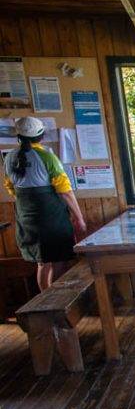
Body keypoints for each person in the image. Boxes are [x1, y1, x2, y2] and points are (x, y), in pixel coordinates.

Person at [3, 116, 86, 291]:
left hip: (25, 214)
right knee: (58, 258)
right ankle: (57, 298)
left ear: (18, 137)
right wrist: (79, 218)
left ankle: (45, 298)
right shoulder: (47, 157)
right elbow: (65, 191)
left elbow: (10, 188)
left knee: (42, 261)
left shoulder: (9, 157)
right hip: (50, 216)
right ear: (40, 136)